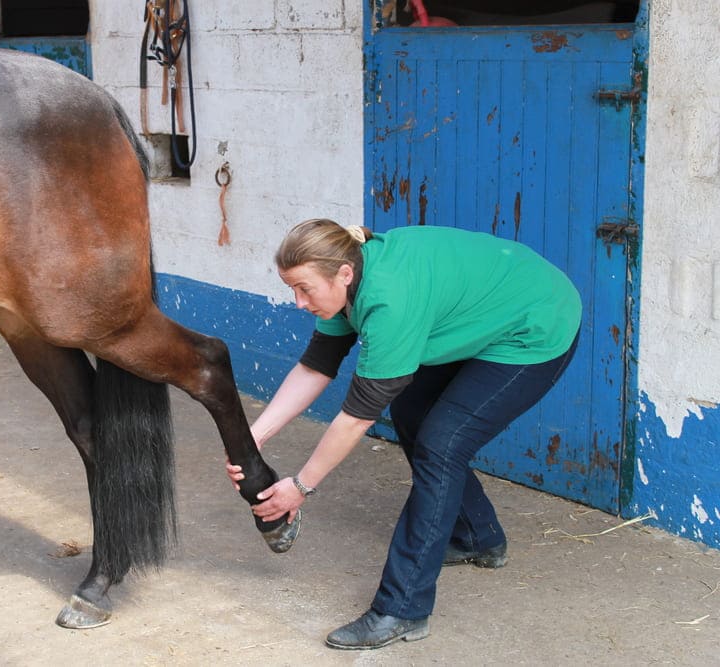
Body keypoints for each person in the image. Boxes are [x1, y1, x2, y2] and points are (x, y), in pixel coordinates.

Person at [227, 219, 581, 651]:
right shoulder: (346, 284)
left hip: (534, 323)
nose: (299, 303)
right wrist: (254, 438)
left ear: (344, 274)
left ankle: (403, 608)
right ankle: (478, 538)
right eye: (292, 289)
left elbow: (355, 418)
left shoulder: (388, 301)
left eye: (305, 289)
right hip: (479, 315)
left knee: (442, 445)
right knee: (412, 411)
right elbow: (317, 365)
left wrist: (300, 488)